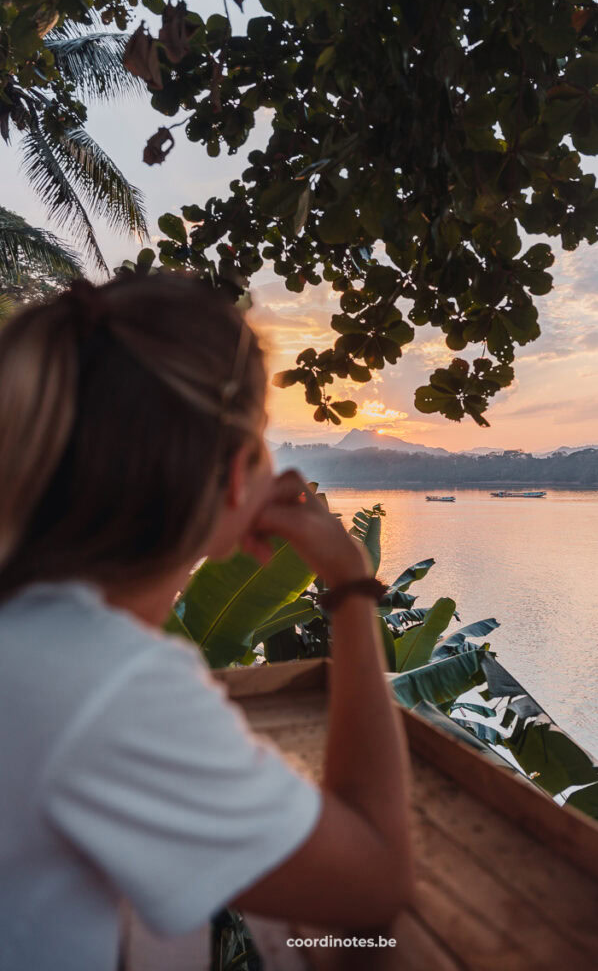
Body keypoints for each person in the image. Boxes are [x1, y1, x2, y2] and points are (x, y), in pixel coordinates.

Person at [0, 274, 415, 971]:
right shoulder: (107, 680)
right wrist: (347, 584)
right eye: (260, 441)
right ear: (231, 477)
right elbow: (373, 879)